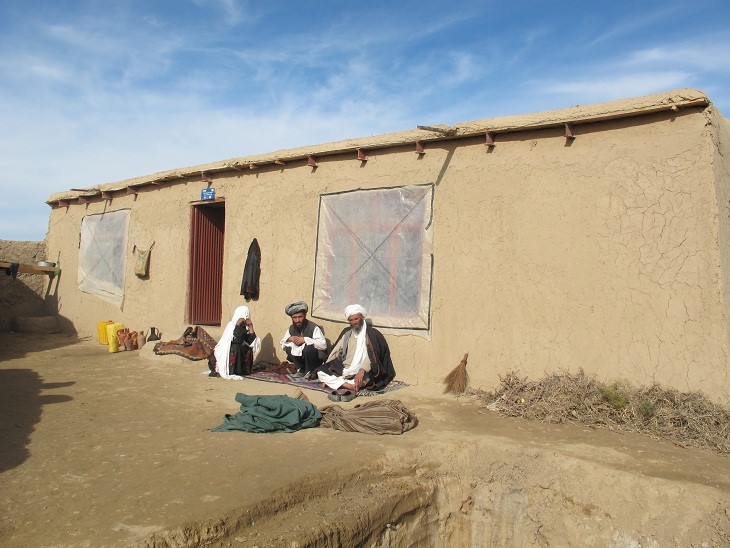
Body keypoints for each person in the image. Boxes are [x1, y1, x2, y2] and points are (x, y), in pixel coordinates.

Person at [315, 304, 396, 396]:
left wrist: (361, 371)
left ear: (362, 317)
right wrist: (327, 365)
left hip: (365, 370)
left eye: (356, 319)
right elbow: (336, 351)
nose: (354, 322)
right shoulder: (347, 334)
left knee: (365, 380)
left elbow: (371, 357)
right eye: (351, 320)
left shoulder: (372, 334)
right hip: (346, 367)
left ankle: (338, 383)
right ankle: (347, 385)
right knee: (321, 372)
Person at [279, 301, 328, 379]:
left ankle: (311, 371)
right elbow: (282, 342)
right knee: (288, 346)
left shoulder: (314, 327)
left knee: (308, 348)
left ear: (305, 316)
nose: (298, 320)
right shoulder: (291, 328)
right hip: (302, 357)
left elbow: (323, 345)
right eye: (295, 318)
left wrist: (305, 340)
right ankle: (301, 370)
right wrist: (290, 338)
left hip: (315, 359)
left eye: (300, 317)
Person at [211, 305, 261, 379]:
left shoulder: (245, 327)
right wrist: (238, 325)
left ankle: (243, 370)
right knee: (237, 347)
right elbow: (237, 340)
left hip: (239, 348)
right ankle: (233, 370)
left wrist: (251, 326)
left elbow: (251, 342)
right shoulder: (231, 325)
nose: (246, 316)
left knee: (248, 348)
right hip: (228, 350)